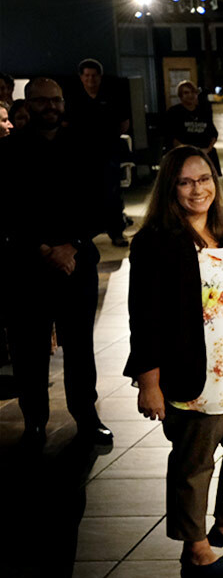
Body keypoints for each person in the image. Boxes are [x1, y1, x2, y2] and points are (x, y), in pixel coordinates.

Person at [124, 146, 223, 573]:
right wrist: (149, 382)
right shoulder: (155, 241)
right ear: (170, 188)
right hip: (195, 369)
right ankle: (194, 541)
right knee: (195, 459)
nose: (198, 189)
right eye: (186, 182)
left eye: (205, 179)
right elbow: (144, 317)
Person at [0, 78, 111, 447]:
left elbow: (103, 204)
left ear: (64, 103)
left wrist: (71, 246)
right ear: (26, 104)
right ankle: (34, 422)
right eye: (41, 100)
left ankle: (87, 416)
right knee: (28, 349)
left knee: (80, 348)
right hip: (26, 267)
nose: (50, 106)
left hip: (77, 263)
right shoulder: (8, 151)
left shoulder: (85, 147)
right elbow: (6, 210)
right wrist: (41, 248)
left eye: (56, 100)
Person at [65, 58, 131, 246]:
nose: (90, 79)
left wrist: (109, 139)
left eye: (94, 75)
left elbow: (124, 122)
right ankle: (85, 235)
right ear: (81, 77)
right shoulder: (73, 99)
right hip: (82, 155)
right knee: (85, 195)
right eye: (87, 75)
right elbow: (65, 124)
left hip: (108, 153)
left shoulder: (112, 97)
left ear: (100, 77)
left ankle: (116, 232)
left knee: (112, 193)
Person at [164, 81, 221, 176]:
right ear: (180, 96)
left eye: (193, 92)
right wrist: (189, 151)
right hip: (183, 152)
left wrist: (208, 149)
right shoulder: (174, 112)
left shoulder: (204, 111)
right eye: (186, 93)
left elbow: (213, 133)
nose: (190, 95)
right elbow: (170, 136)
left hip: (205, 151)